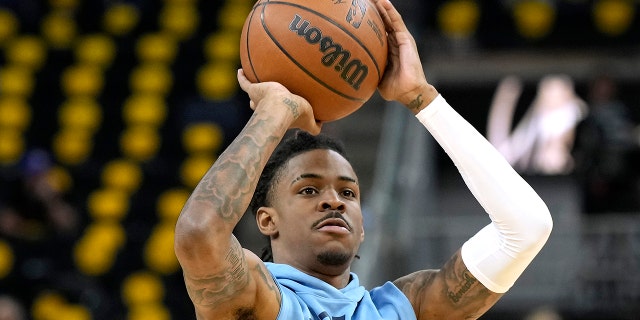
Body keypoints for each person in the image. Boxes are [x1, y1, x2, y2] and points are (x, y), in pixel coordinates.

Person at [174, 0, 553, 319]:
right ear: (267, 220)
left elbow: (526, 227)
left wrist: (422, 99)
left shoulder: (402, 308)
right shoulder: (256, 301)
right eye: (308, 189)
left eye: (349, 193)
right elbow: (198, 234)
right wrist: (275, 112)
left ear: (363, 226)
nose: (334, 200)